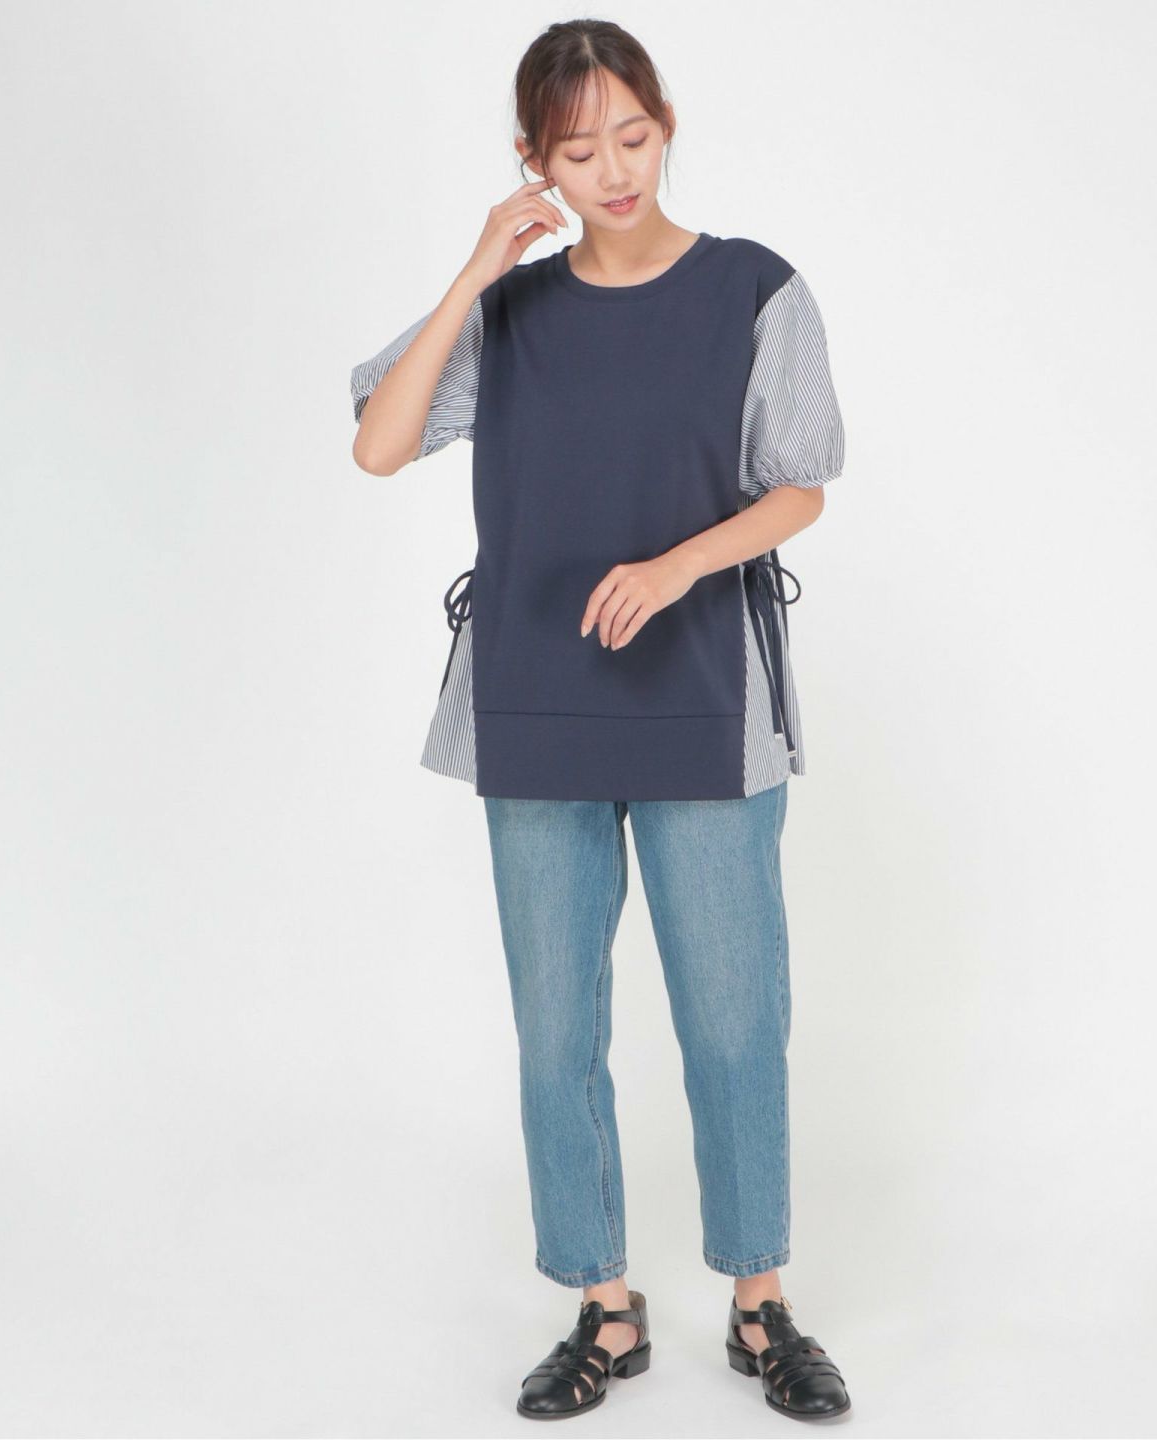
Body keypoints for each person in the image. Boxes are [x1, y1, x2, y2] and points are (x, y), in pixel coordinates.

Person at [350, 18, 851, 1422]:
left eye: (632, 136)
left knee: (736, 1023)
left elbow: (800, 484)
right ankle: (603, 1306)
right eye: (578, 151)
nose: (614, 170)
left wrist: (681, 565)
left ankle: (761, 1305)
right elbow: (379, 444)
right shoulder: (508, 313)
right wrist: (473, 272)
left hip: (705, 703)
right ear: (534, 160)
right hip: (535, 706)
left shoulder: (755, 289)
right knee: (556, 1030)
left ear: (665, 122)